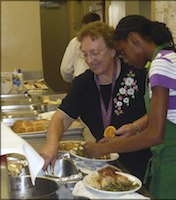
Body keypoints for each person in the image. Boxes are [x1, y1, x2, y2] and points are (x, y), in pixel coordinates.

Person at [83, 15, 176, 199]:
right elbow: (165, 114)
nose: (125, 59)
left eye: (123, 51)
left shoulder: (160, 64)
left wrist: (106, 148)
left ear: (133, 39)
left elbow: (155, 134)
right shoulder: (168, 57)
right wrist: (135, 127)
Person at [40, 21, 152, 181]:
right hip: (104, 165)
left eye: (95, 53)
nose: (90, 60)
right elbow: (61, 118)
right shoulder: (83, 83)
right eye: (85, 54)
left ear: (113, 50)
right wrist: (51, 144)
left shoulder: (138, 75)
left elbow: (157, 114)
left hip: (141, 163)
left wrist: (135, 126)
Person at [60, 12, 101, 83]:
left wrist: (73, 81)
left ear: (83, 25)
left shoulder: (75, 42)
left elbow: (65, 69)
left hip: (81, 78)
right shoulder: (103, 41)